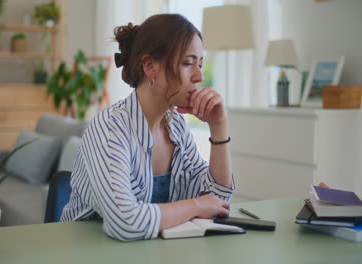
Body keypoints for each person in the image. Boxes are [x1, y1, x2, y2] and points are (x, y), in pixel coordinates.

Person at [61, 14, 235, 241]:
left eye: (200, 64)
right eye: (188, 63)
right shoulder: (110, 128)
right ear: (150, 67)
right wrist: (196, 205)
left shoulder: (176, 128)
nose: (199, 76)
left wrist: (218, 127)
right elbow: (125, 223)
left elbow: (218, 201)